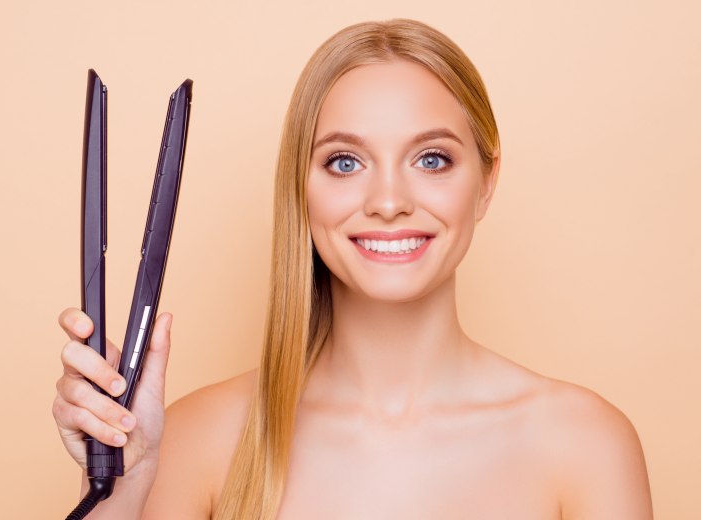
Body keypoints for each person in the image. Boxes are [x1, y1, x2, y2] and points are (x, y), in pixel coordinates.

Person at [52, 18, 653, 519]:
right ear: (300, 186)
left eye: (433, 158)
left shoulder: (587, 447)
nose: (388, 201)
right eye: (344, 162)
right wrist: (121, 487)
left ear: (487, 184)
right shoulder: (197, 440)